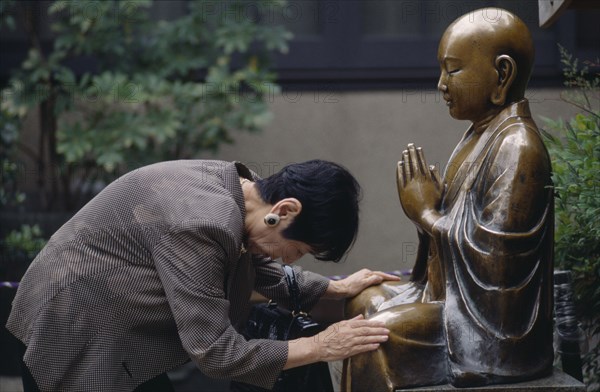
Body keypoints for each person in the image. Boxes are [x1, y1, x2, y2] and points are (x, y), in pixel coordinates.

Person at [7, 159, 399, 391]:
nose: (292, 260)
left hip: (114, 335)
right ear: (286, 209)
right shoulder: (200, 222)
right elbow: (215, 352)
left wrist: (333, 288)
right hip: (73, 336)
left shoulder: (232, 190)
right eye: (298, 250)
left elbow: (254, 265)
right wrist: (321, 346)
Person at [345, 8, 554, 390]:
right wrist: (436, 209)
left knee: (370, 336)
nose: (441, 84)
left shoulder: (518, 146)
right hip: (451, 298)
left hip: (490, 330)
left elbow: (497, 260)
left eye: (453, 70)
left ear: (501, 75)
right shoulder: (480, 134)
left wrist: (426, 212)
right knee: (362, 300)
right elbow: (461, 228)